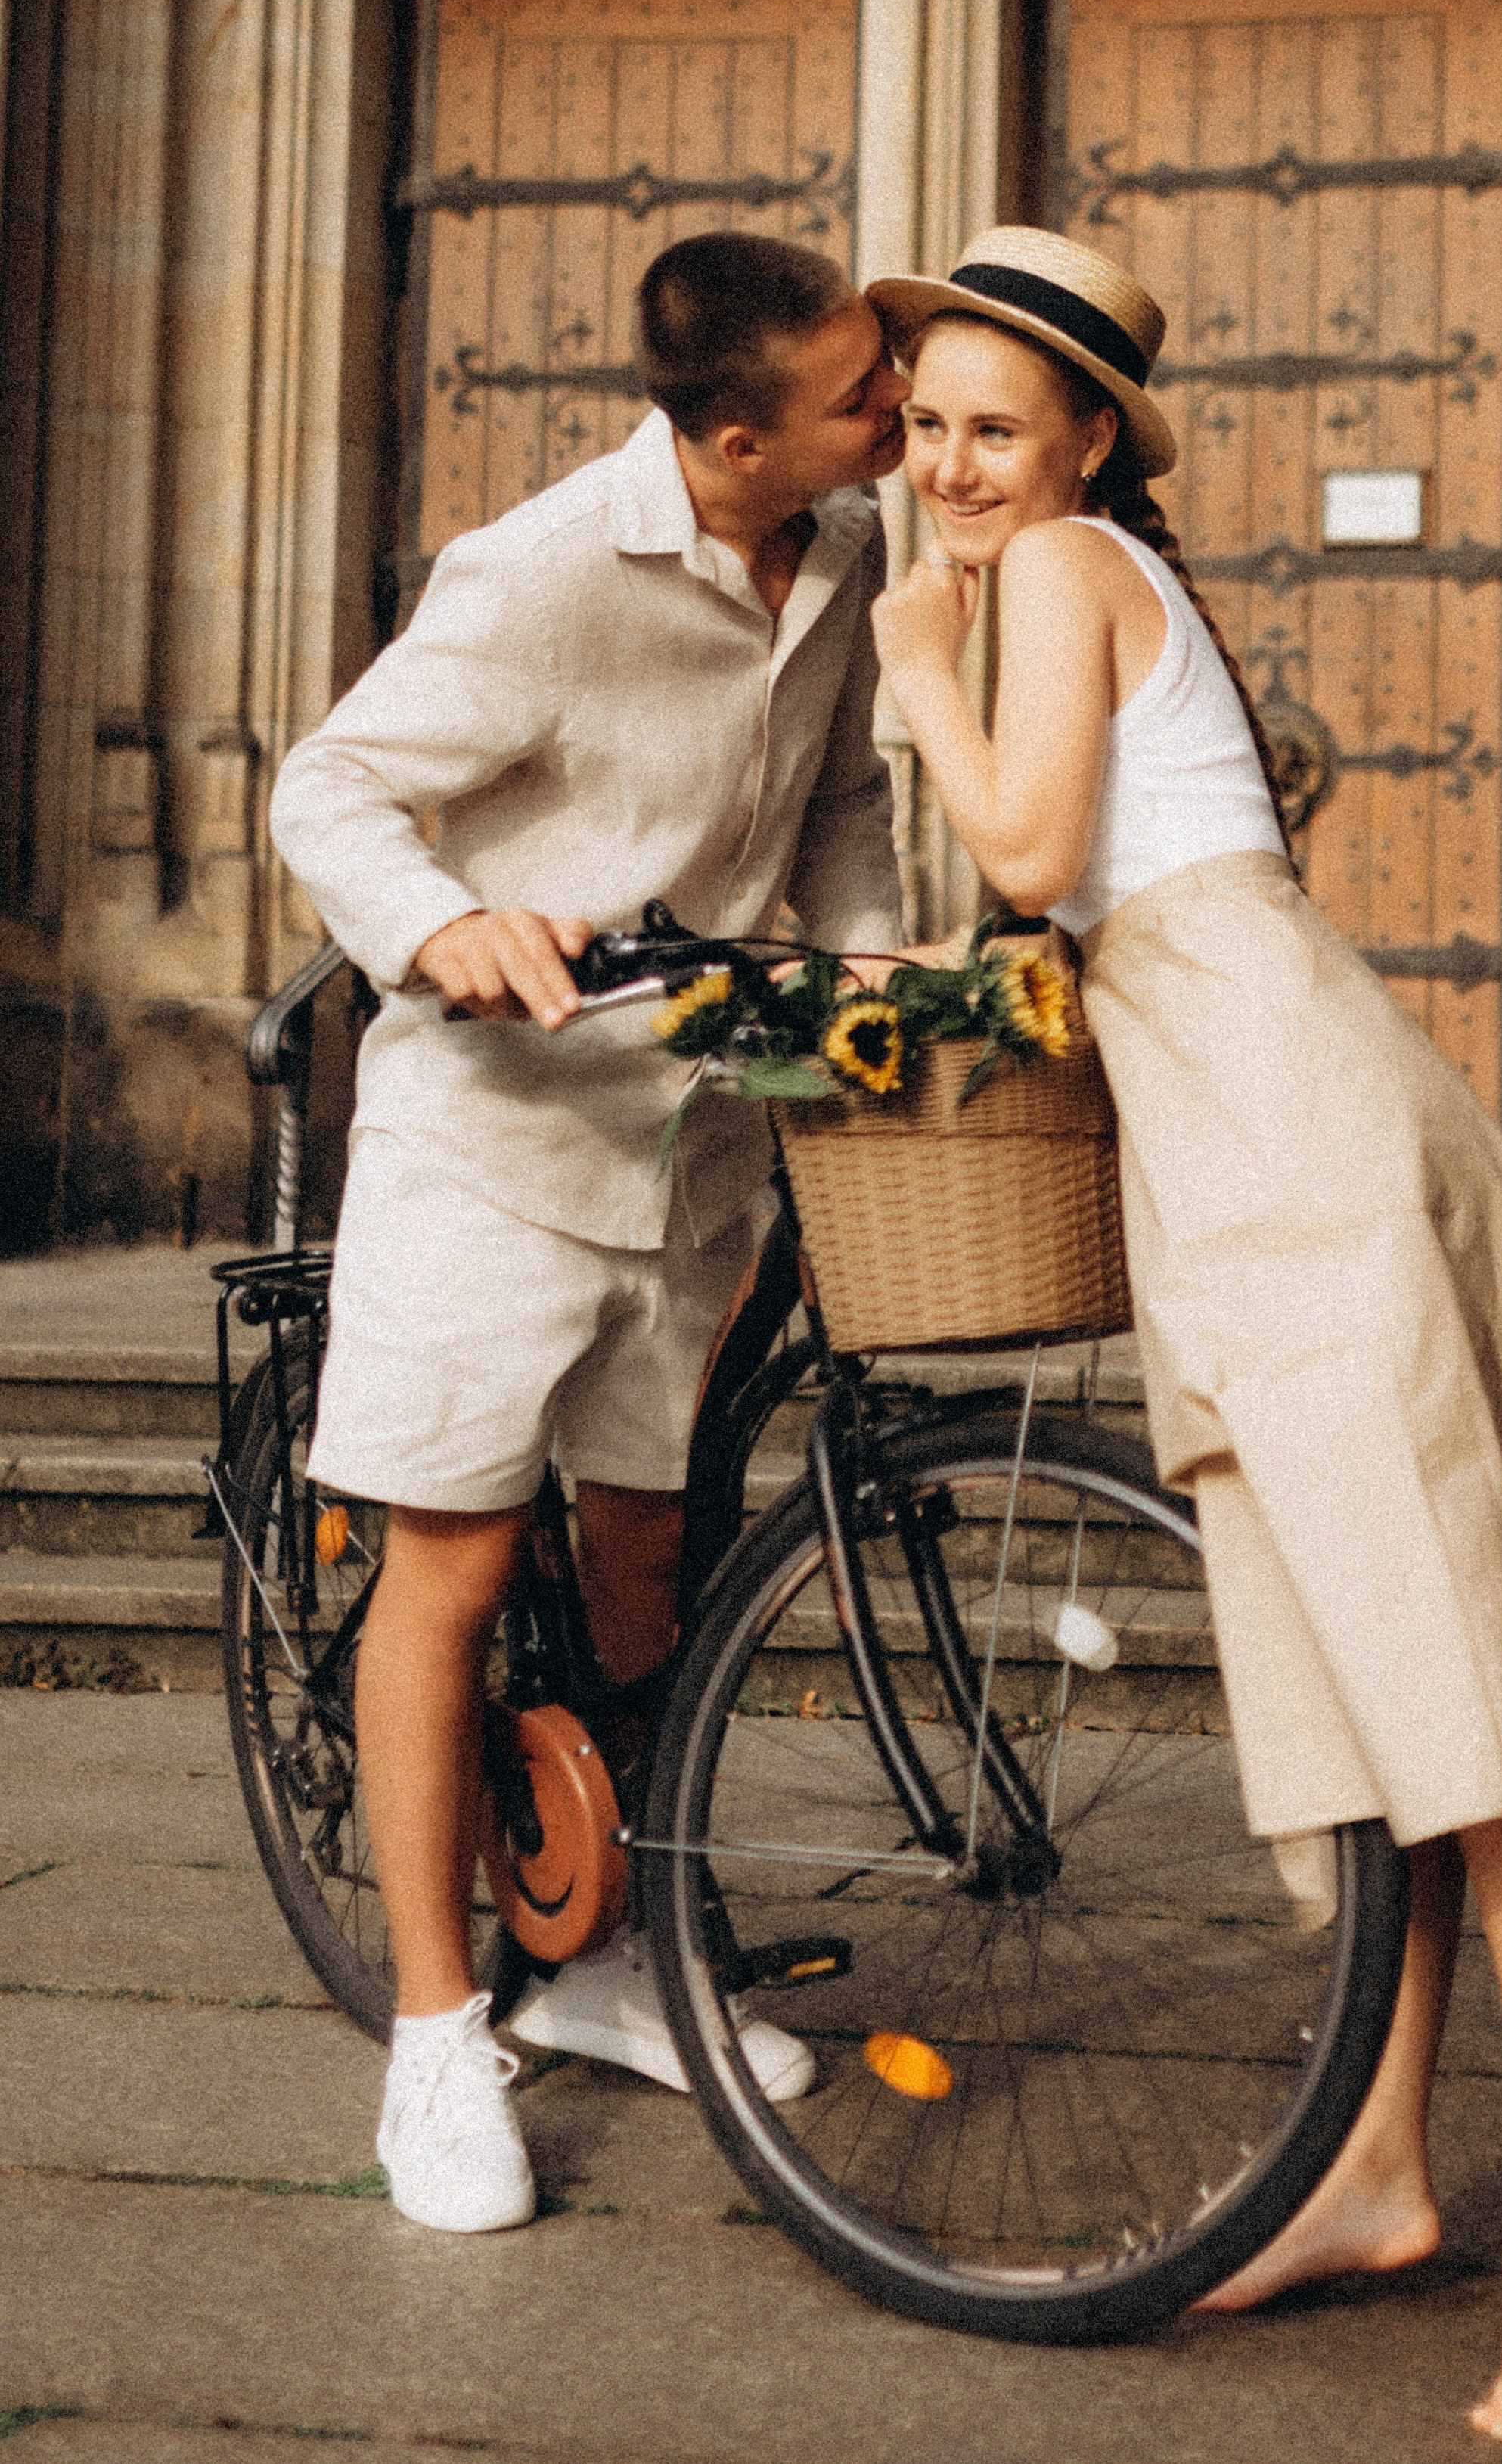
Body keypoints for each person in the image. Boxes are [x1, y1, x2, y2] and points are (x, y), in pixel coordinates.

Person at [861, 226, 1502, 2447]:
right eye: (923, 426)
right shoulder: (1080, 574)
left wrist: (913, 669)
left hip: (1295, 1140)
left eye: (994, 428)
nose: (949, 466)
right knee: (1362, 1690)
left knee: (1461, 1678)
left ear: (1087, 441)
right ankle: (1382, 2165)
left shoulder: (1052, 571)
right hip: (1235, 1145)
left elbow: (1026, 844)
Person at [269, 231, 907, 2235]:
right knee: (450, 1570)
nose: (900, 408)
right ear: (736, 439)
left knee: (646, 1568)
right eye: (863, 394)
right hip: (492, 1144)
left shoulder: (846, 543)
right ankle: (437, 2036)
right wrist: (441, 923)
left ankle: (614, 1956)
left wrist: (866, 973)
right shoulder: (540, 570)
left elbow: (841, 802)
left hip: (695, 1149)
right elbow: (330, 788)